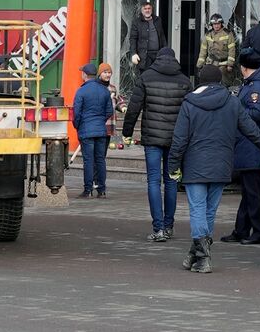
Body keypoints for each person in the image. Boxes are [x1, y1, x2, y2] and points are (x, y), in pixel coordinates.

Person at [168, 65, 260, 274]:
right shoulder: (232, 102)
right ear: (219, 80)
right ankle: (195, 254)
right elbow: (251, 130)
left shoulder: (189, 104)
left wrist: (173, 165)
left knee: (197, 210)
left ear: (200, 81)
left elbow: (179, 139)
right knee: (209, 211)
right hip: (222, 164)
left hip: (195, 164)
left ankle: (203, 257)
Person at [122, 46, 192, 242]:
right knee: (171, 181)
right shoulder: (184, 80)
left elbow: (134, 107)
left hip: (152, 138)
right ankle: (169, 226)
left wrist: (127, 132)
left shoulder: (146, 77)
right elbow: (191, 112)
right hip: (175, 139)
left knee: (154, 181)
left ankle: (158, 228)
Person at [222, 49, 260, 246]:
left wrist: (237, 109)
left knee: (255, 193)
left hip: (253, 145)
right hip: (248, 145)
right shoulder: (255, 84)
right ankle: (242, 229)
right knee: (249, 191)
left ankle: (259, 232)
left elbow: (258, 112)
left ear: (244, 68)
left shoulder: (257, 87)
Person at [72, 62, 114, 199]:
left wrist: (78, 125)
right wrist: (100, 121)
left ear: (84, 74)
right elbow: (109, 111)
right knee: (100, 160)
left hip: (86, 130)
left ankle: (88, 190)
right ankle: (101, 190)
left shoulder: (81, 91)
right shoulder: (104, 91)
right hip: (101, 130)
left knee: (88, 161)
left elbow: (76, 113)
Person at [198, 13, 238, 88]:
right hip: (211, 63)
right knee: (210, 83)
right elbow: (203, 50)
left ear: (221, 24)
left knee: (224, 84)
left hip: (224, 64)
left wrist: (230, 64)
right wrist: (200, 64)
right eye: (214, 24)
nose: (216, 26)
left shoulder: (228, 34)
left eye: (218, 23)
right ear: (211, 25)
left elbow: (232, 50)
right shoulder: (208, 34)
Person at [128, 1, 165, 73]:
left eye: (149, 8)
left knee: (157, 76)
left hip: (158, 55)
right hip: (144, 56)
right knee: (145, 77)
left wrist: (165, 52)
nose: (147, 10)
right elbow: (133, 38)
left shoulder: (157, 20)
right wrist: (133, 53)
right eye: (145, 9)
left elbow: (162, 37)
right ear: (142, 11)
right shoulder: (137, 22)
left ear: (152, 10)